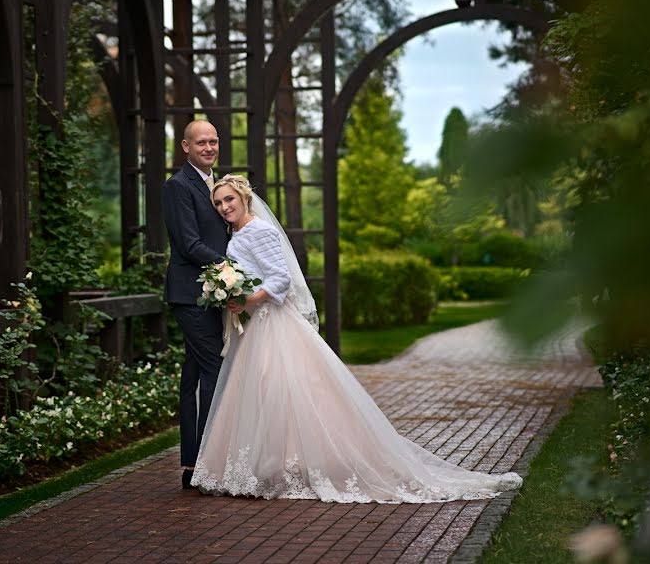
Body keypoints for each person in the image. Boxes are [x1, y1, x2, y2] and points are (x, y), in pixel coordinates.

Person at [191, 175, 523, 503]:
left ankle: (282, 466)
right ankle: (269, 465)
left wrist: (248, 299)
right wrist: (232, 295)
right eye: (218, 202)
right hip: (255, 325)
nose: (223, 207)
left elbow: (281, 279)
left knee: (280, 389)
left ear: (244, 197)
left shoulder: (260, 231)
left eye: (229, 200)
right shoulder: (237, 233)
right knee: (264, 392)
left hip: (272, 323)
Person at [162, 120, 230, 490]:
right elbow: (188, 244)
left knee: (192, 378)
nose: (209, 147)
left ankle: (191, 465)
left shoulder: (217, 185)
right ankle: (206, 463)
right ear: (185, 146)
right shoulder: (177, 187)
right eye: (201, 142)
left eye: (214, 141)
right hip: (190, 294)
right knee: (214, 370)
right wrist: (231, 268)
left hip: (212, 293)